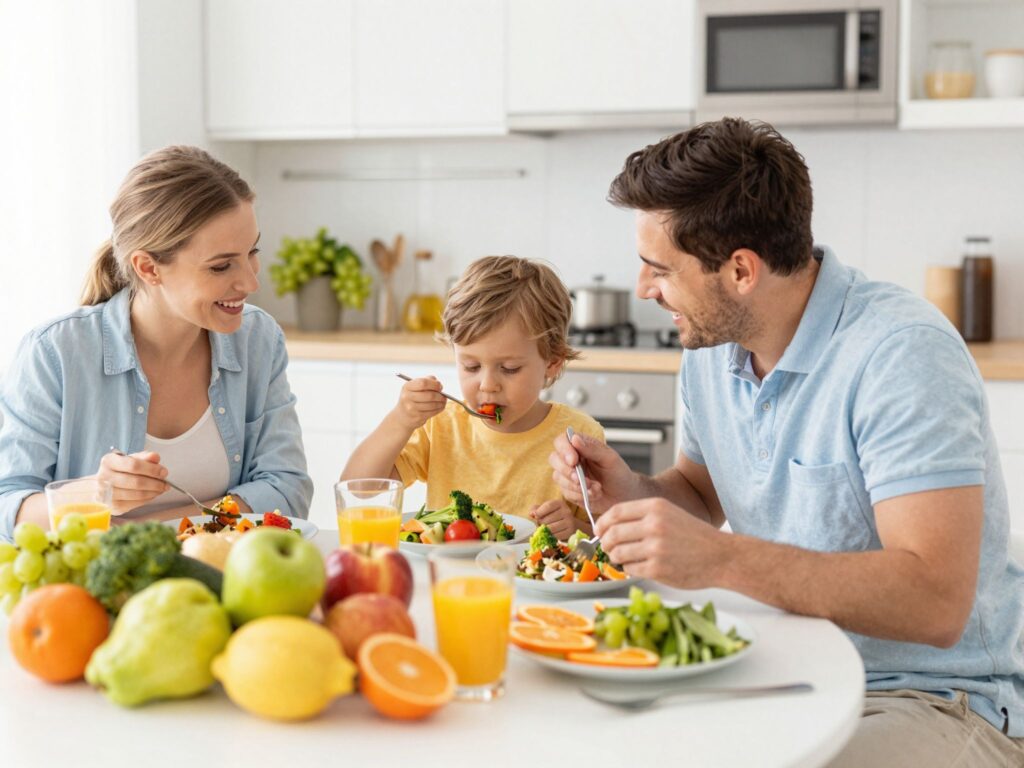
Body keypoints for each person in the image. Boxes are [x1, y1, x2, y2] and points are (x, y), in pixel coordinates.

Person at [549, 118, 1024, 765]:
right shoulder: (712, 349)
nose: (644, 289)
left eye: (659, 268)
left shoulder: (899, 355)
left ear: (741, 270)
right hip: (774, 666)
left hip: (927, 695)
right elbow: (698, 491)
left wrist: (720, 559)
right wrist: (628, 492)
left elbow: (936, 601)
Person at [0, 145, 312, 540]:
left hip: (225, 587)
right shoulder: (55, 352)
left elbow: (287, 488)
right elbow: (9, 504)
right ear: (148, 268)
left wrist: (145, 533)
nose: (251, 282)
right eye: (221, 266)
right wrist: (92, 494)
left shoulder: (258, 340)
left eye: (252, 252)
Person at [343, 255, 603, 538]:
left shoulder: (579, 437)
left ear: (552, 362)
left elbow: (607, 538)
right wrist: (401, 420)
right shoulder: (441, 424)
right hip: (449, 578)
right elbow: (358, 488)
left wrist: (574, 527)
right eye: (471, 367)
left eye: (509, 368)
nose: (487, 385)